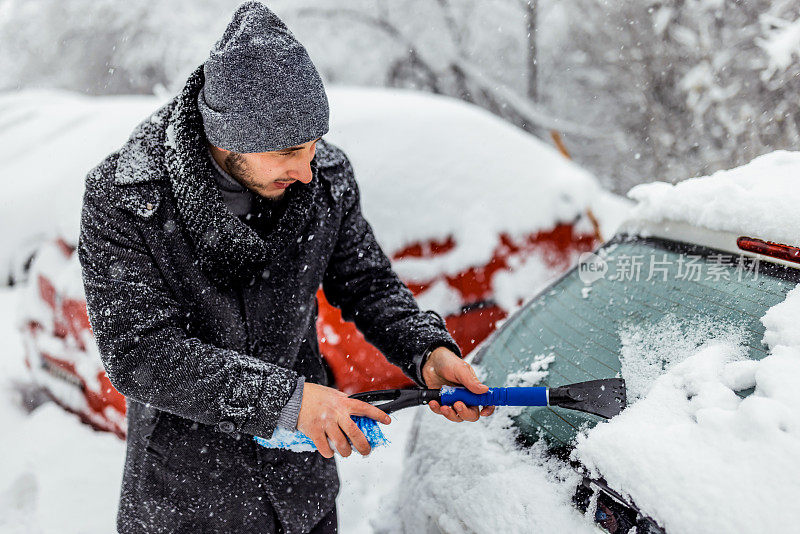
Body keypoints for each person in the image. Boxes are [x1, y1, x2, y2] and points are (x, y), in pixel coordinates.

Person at [78, 2, 493, 533]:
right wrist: (286, 403)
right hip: (186, 498)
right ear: (226, 137)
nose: (306, 169)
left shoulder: (324, 177)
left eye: (314, 145)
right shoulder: (125, 197)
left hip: (300, 495)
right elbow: (141, 353)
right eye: (289, 151)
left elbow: (366, 281)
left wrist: (424, 350)